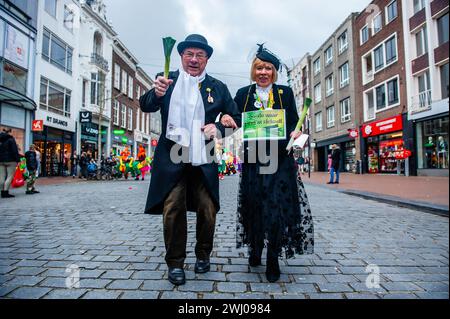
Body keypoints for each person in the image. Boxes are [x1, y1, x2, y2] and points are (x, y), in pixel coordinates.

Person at [139, 34, 240, 286]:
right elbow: (146, 104)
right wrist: (155, 92)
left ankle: (203, 255)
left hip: (203, 154)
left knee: (208, 207)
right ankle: (175, 263)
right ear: (181, 56)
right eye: (189, 54)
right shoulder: (167, 81)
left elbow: (233, 119)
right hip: (173, 155)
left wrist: (220, 126)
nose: (194, 60)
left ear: (207, 59)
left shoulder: (217, 87)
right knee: (172, 206)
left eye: (200, 55)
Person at [220, 44, 314, 282]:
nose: (263, 72)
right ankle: (255, 248)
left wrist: (298, 134)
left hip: (281, 161)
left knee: (277, 208)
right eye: (259, 68)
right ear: (254, 70)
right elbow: (231, 118)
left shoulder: (284, 93)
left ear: (274, 72)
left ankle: (272, 256)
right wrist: (227, 119)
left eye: (268, 68)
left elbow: (295, 125)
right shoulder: (243, 94)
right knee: (255, 206)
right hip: (254, 161)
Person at [0, 128, 20, 198]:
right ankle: (6, 192)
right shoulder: (11, 139)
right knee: (10, 176)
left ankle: (2, 192)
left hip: (1, 161)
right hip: (11, 160)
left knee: (1, 177)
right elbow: (14, 150)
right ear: (9, 132)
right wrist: (18, 160)